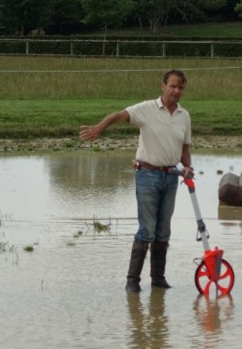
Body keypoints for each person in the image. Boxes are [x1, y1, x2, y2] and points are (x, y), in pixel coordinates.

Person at [79, 69, 194, 293]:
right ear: (163, 86)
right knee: (147, 230)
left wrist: (188, 168)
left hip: (171, 176)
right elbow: (119, 115)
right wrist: (98, 129)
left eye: (180, 87)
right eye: (172, 86)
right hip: (147, 175)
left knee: (163, 231)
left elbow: (185, 147)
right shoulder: (146, 109)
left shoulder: (184, 116)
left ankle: (158, 280)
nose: (176, 91)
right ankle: (133, 282)